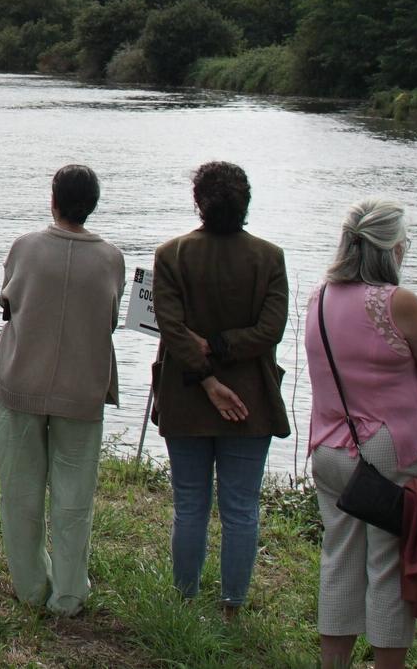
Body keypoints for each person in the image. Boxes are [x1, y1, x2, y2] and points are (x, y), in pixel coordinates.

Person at [303, 200, 417, 669]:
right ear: (392, 248)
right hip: (387, 450)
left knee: (339, 559)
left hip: (329, 447)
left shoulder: (319, 297)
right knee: (387, 564)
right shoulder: (397, 301)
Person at [151, 160, 290, 618]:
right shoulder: (270, 257)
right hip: (249, 399)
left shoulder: (171, 254)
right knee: (241, 507)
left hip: (185, 397)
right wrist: (226, 350)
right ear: (245, 202)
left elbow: (170, 328)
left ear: (199, 202)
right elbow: (270, 330)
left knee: (189, 505)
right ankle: (232, 604)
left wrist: (205, 368)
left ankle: (184, 598)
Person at [0, 164, 125, 613]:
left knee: (20, 492)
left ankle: (30, 586)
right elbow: (109, 318)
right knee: (74, 498)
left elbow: (8, 304)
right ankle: (68, 593)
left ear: (54, 198)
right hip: (82, 388)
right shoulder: (111, 257)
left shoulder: (25, 247)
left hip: (22, 379)